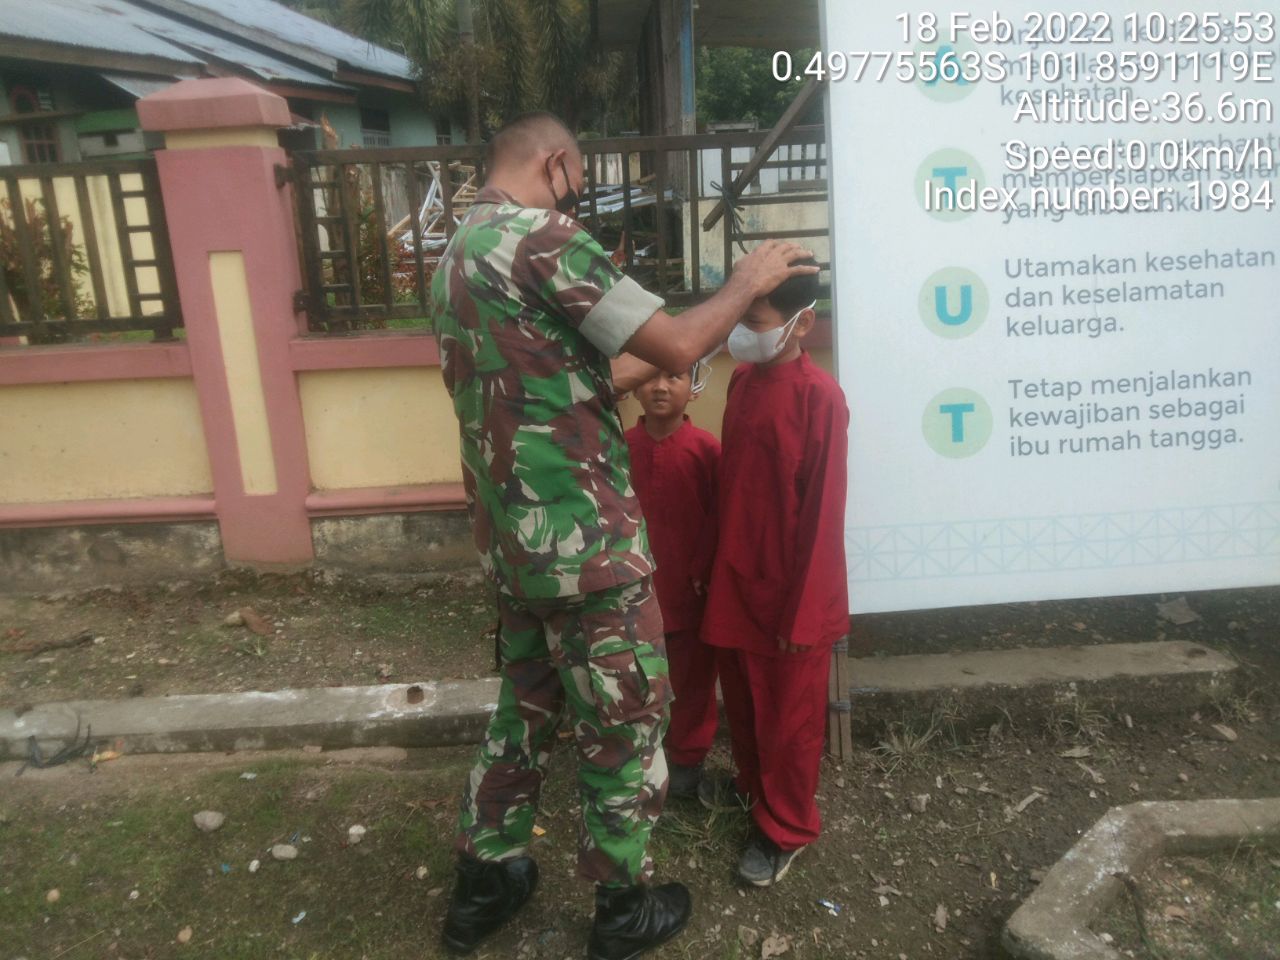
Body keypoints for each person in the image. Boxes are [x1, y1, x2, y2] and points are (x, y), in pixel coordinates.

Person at [429, 110, 817, 959]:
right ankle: (620, 906)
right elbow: (675, 335)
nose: (578, 193)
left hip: (515, 547)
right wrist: (746, 282)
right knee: (624, 721)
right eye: (577, 177)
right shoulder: (545, 240)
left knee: (524, 712)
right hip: (587, 548)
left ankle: (484, 882)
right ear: (558, 163)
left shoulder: (458, 254)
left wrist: (672, 362)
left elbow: (580, 377)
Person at [699, 260, 849, 888]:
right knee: (745, 703)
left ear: (801, 323)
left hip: (792, 595)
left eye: (753, 321)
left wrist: (807, 613)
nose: (740, 333)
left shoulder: (821, 399)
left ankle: (785, 827)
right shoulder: (743, 383)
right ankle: (753, 791)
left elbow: (822, 514)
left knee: (789, 719)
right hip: (737, 580)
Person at [624, 367, 721, 798]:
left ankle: (686, 759)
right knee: (633, 678)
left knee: (692, 680)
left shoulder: (707, 451)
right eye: (650, 377)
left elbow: (721, 519)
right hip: (630, 593)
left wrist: (705, 571)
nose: (660, 387)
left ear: (694, 388)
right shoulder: (619, 448)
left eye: (674, 377)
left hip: (689, 593)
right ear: (635, 386)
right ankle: (638, 756)